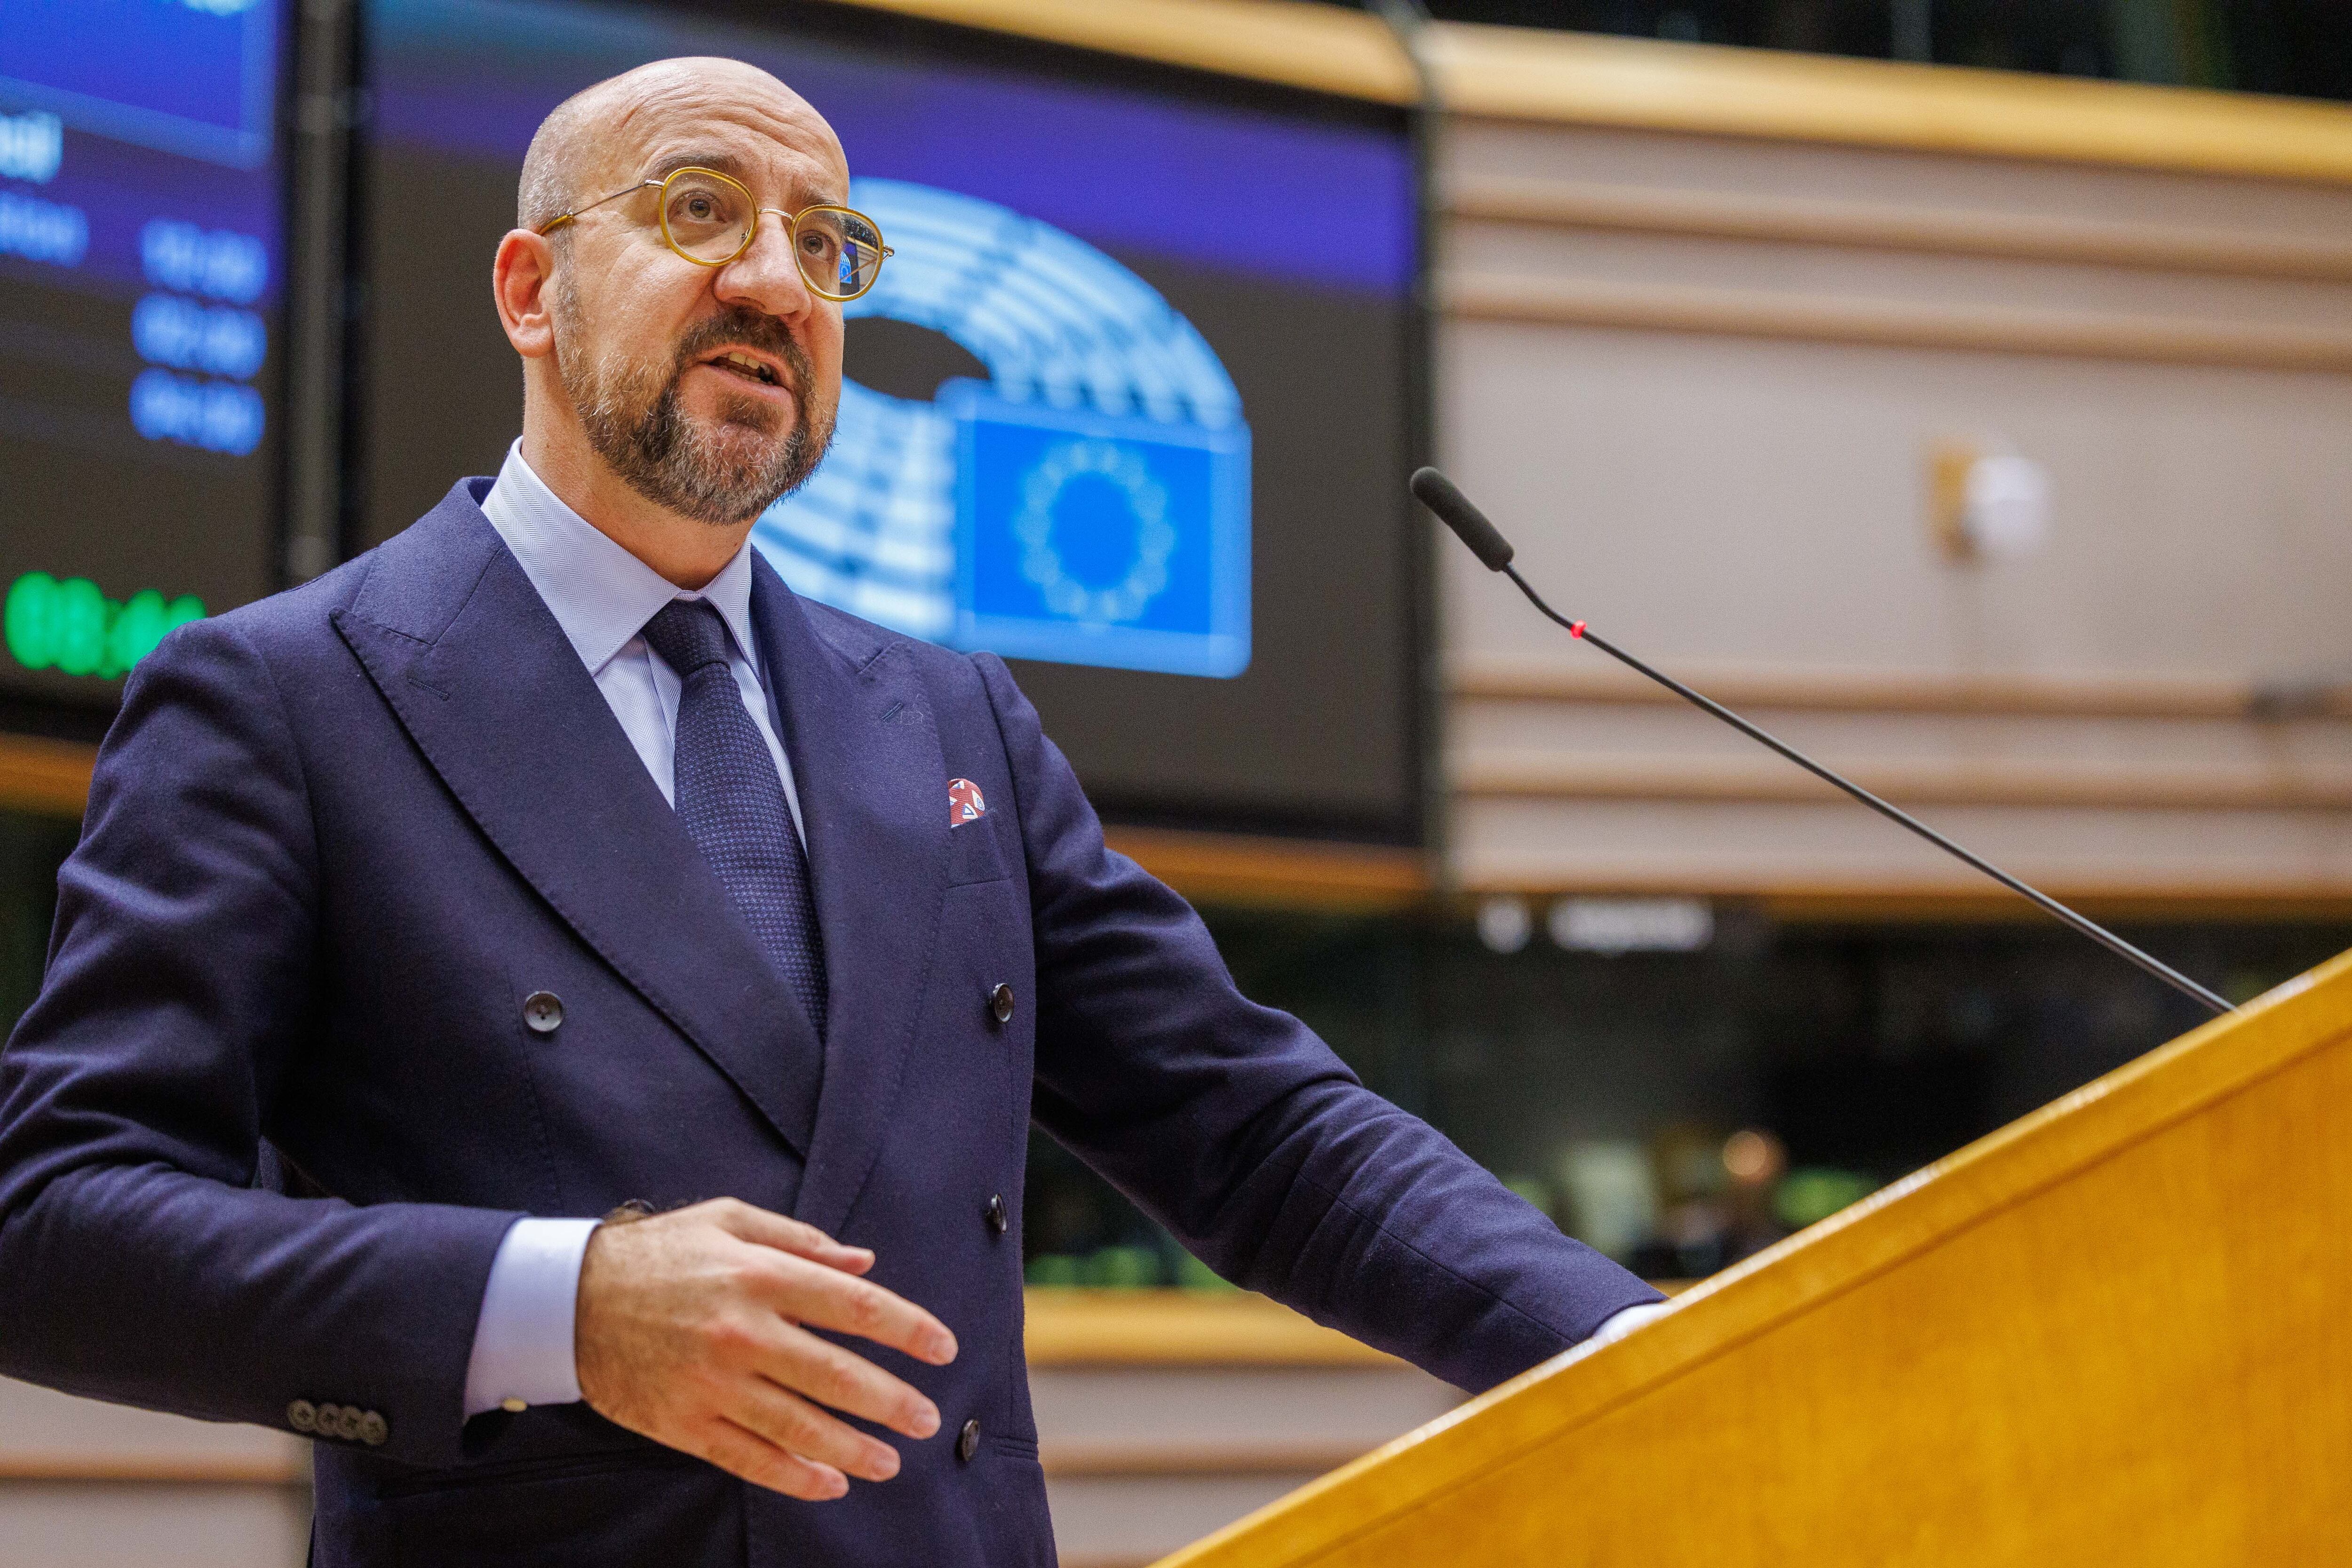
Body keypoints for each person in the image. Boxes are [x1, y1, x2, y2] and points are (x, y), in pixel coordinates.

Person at [0, 57, 1665, 1568]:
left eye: (828, 244)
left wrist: (1637, 1345)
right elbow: (52, 1222)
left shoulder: (950, 717)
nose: (775, 280)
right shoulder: (286, 699)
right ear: (530, 287)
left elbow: (1253, 1127)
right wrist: (560, 1308)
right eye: (699, 209)